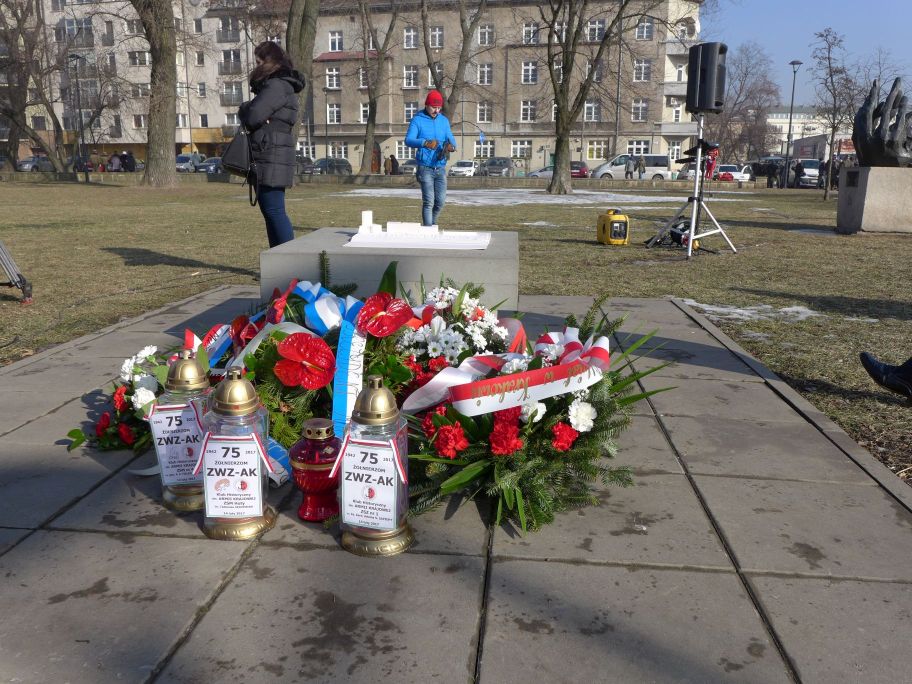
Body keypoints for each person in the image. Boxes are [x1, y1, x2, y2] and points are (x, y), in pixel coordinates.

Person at [238, 41, 305, 248]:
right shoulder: (281, 85)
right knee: (271, 211)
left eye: (259, 62)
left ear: (270, 61)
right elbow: (258, 115)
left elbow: (253, 116)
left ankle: (287, 259)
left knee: (274, 210)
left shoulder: (276, 86)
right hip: (271, 151)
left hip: (270, 152)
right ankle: (278, 258)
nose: (256, 66)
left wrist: (245, 107)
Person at [405, 89, 456, 226]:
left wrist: (451, 146)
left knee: (440, 202)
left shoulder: (443, 121)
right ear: (427, 105)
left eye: (439, 108)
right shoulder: (417, 120)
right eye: (434, 107)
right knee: (429, 202)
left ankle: (430, 227)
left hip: (440, 167)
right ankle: (429, 230)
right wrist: (425, 143)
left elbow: (451, 139)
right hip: (425, 168)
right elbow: (408, 140)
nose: (436, 111)